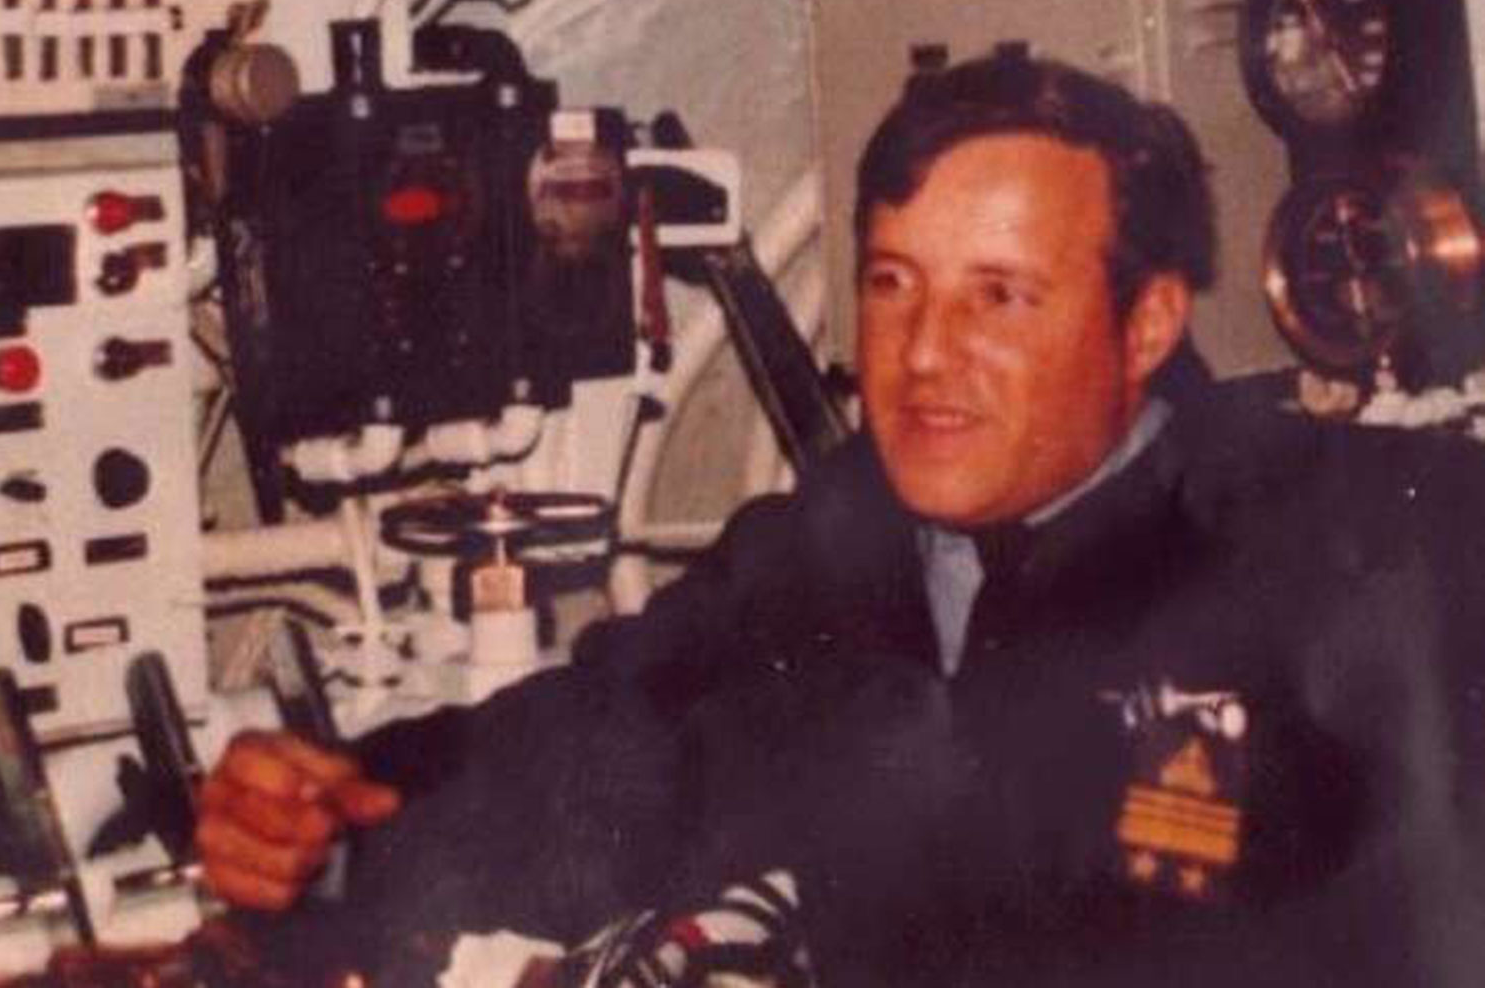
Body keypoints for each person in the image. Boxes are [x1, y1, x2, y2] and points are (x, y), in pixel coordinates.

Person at [195, 52, 1485, 985]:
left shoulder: (1358, 550)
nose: (923, 355)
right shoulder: (833, 551)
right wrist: (333, 818)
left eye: (999, 297)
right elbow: (591, 754)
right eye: (893, 285)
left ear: (1146, 324)